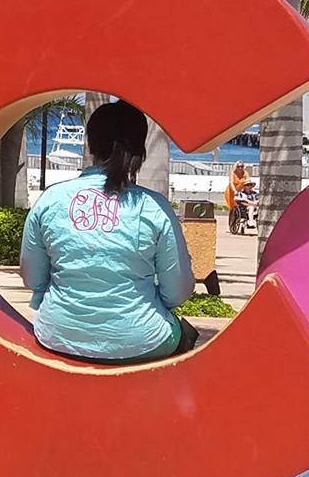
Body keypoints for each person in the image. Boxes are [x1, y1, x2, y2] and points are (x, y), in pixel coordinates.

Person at [20, 100, 197, 364]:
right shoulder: (154, 207)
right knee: (183, 334)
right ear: (140, 150)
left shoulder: (51, 199)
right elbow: (178, 291)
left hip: (57, 335)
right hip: (142, 338)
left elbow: (32, 278)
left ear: (91, 144)